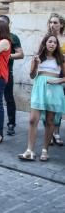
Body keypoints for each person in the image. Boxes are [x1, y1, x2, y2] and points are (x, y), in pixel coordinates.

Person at [19, 34, 65, 162]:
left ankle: (45, 150)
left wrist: (58, 81)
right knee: (33, 120)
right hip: (39, 89)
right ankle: (29, 150)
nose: (52, 44)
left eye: (55, 43)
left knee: (50, 121)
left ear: (57, 46)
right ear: (45, 43)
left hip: (54, 90)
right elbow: (33, 75)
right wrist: (36, 64)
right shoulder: (37, 58)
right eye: (50, 42)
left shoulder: (60, 59)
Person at [0, 15, 24, 136]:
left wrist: (6, 55)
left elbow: (20, 54)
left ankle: (11, 123)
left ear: (7, 24)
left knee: (8, 98)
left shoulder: (13, 37)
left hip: (7, 71)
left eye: (0, 23)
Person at [47, 13, 65, 145]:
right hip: (50, 73)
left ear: (62, 25)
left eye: (55, 22)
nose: (52, 25)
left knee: (58, 104)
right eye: (51, 22)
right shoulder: (46, 38)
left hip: (62, 74)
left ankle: (56, 132)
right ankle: (50, 131)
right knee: (50, 104)